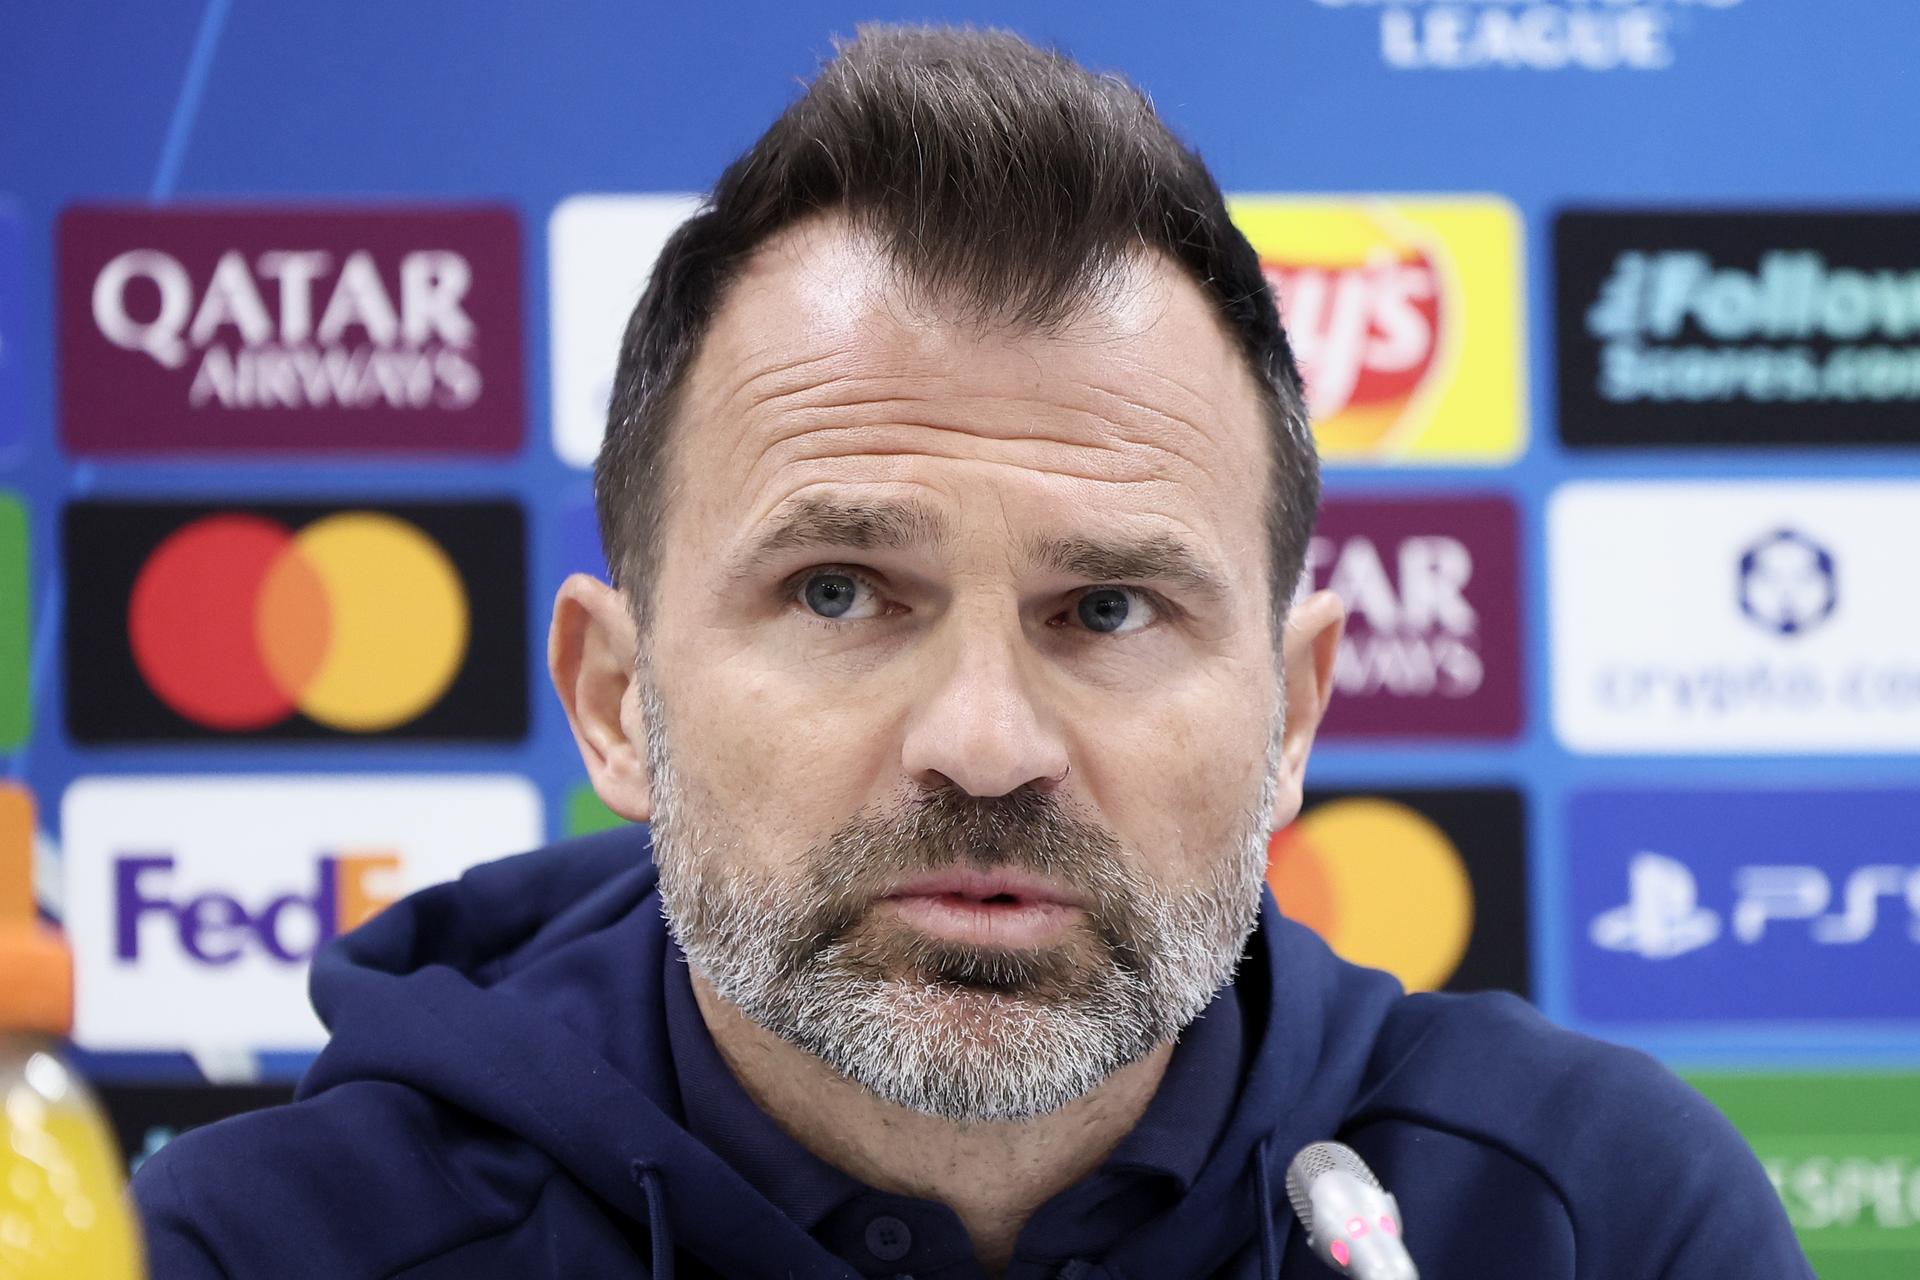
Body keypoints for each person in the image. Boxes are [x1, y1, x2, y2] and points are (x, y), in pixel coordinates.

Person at [133, 24, 1811, 1280]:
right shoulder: (260, 1253)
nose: (989, 743)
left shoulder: (1601, 1220)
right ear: (616, 700)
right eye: (844, 594)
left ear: (1292, 715)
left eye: (1110, 610)